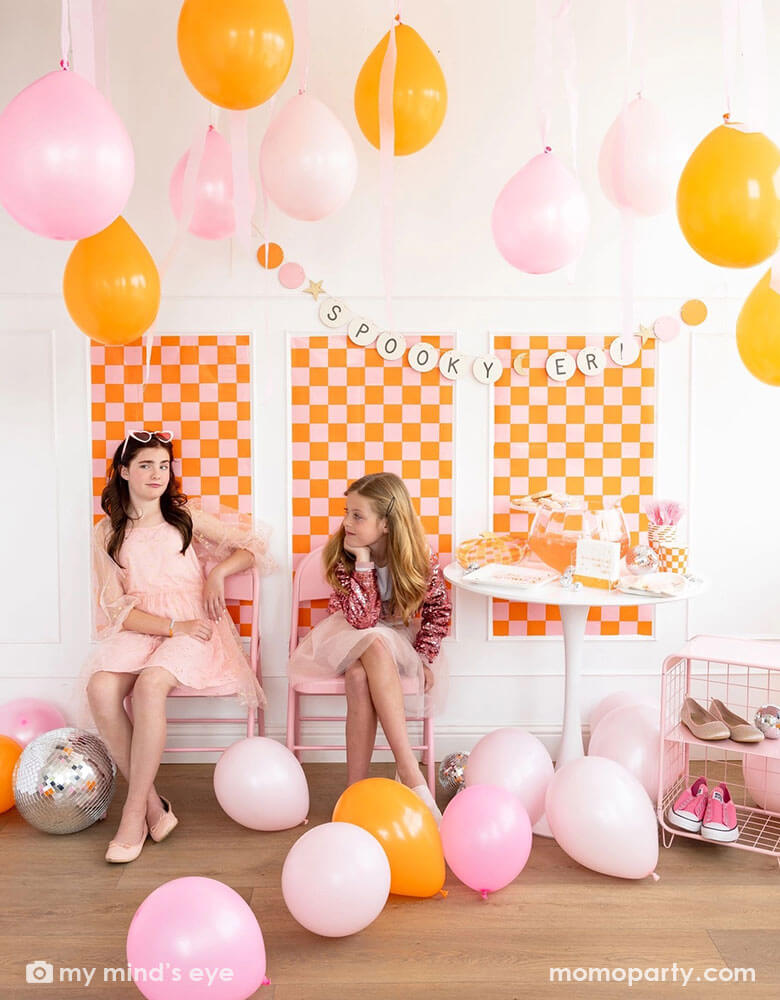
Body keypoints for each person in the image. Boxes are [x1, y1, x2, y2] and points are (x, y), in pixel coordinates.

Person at [84, 430, 273, 863]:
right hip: (148, 626)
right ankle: (154, 805)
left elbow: (252, 547)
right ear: (125, 472)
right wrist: (170, 625)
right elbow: (117, 609)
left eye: (164, 465)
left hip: (196, 629)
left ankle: (133, 814)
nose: (157, 474)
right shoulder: (107, 532)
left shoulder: (184, 516)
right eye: (146, 465)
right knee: (100, 688)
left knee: (150, 685)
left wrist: (216, 573)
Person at [288, 471, 451, 823]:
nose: (346, 522)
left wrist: (423, 657)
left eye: (357, 516)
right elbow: (361, 622)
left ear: (388, 524)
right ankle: (410, 773)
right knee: (373, 642)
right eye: (347, 512)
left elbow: (439, 609)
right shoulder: (343, 554)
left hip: (399, 644)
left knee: (360, 677)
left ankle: (352, 796)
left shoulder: (420, 556)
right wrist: (362, 561)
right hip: (345, 636)